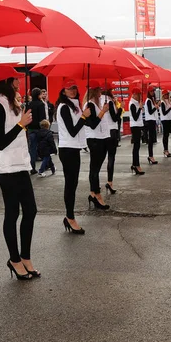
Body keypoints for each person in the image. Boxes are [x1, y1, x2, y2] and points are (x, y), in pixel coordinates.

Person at [0, 66, 40, 281]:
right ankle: (14, 259)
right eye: (16, 78)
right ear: (7, 81)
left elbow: (18, 132)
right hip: (6, 168)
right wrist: (20, 125)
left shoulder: (13, 103)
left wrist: (24, 120)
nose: (20, 81)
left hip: (20, 165)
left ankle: (25, 256)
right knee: (12, 213)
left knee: (31, 210)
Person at [56, 79, 90, 234]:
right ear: (63, 91)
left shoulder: (74, 106)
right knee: (70, 185)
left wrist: (86, 116)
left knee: (73, 184)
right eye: (70, 88)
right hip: (67, 149)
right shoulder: (64, 107)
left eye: (75, 88)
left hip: (73, 149)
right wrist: (84, 117)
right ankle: (70, 217)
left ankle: (70, 216)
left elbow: (83, 125)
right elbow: (72, 130)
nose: (73, 90)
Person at [84, 83, 111, 210]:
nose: (101, 92)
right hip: (95, 139)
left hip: (102, 138)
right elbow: (93, 124)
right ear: (94, 91)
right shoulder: (89, 105)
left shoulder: (97, 104)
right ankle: (97, 195)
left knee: (96, 168)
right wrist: (103, 112)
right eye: (99, 90)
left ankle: (93, 193)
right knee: (94, 169)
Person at [100, 83, 121, 194]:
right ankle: (110, 182)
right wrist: (120, 108)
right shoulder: (109, 101)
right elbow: (115, 118)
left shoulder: (98, 100)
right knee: (111, 157)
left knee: (100, 159)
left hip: (102, 132)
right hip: (112, 131)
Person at [26, 88, 47, 175]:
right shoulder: (41, 104)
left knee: (32, 149)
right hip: (39, 128)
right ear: (39, 95)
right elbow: (42, 117)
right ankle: (46, 165)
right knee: (44, 147)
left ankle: (32, 167)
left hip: (30, 129)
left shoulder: (29, 104)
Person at [128, 85, 146, 175]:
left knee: (137, 146)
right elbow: (135, 117)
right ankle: (136, 164)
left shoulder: (135, 103)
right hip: (135, 126)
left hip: (138, 125)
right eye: (138, 94)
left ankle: (135, 164)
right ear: (134, 95)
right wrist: (139, 107)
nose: (139, 96)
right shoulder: (132, 104)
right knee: (136, 146)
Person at [145, 89, 160, 165]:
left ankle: (151, 155)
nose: (152, 92)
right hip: (150, 120)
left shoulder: (151, 100)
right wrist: (156, 107)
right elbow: (150, 111)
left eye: (153, 91)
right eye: (151, 91)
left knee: (152, 139)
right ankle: (150, 156)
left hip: (153, 120)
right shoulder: (148, 101)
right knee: (150, 139)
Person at [160, 91, 171, 157]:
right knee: (165, 135)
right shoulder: (162, 102)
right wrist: (170, 108)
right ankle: (165, 150)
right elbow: (164, 112)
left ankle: (166, 149)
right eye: (166, 94)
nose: (167, 95)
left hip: (168, 119)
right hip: (164, 119)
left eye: (168, 94)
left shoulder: (168, 101)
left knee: (167, 135)